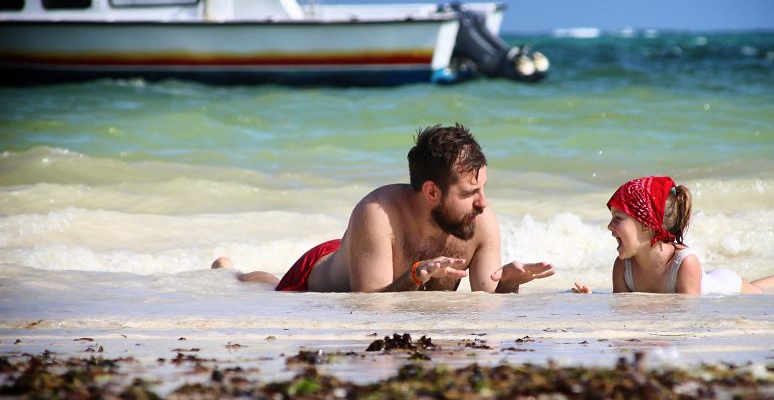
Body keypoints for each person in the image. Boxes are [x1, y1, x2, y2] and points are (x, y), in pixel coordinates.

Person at [214, 123, 555, 293]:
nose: (482, 202)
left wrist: (510, 282)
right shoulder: (375, 213)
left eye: (483, 188)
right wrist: (416, 274)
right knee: (265, 288)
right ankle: (231, 272)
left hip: (365, 253)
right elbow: (371, 306)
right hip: (318, 273)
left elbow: (486, 300)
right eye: (469, 193)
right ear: (432, 191)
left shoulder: (480, 219)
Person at [572, 175, 774, 295]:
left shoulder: (685, 264)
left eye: (618, 219)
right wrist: (593, 297)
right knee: (756, 288)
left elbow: (684, 316)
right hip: (714, 283)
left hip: (722, 287)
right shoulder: (623, 265)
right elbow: (623, 307)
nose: (610, 227)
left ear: (647, 225)